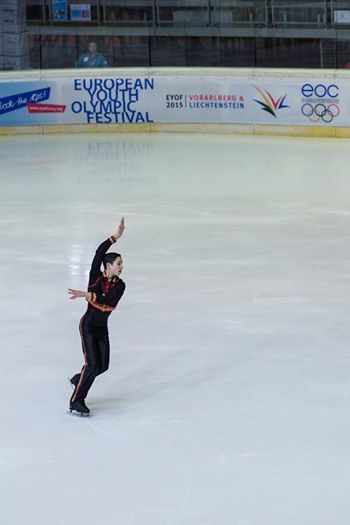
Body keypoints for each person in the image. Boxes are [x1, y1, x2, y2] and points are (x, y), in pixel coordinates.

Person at [68, 217, 126, 416]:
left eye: (122, 264)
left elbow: (108, 301)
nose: (121, 267)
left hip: (102, 330)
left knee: (103, 366)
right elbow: (99, 253)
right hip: (89, 327)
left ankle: (80, 378)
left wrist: (87, 295)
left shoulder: (120, 285)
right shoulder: (95, 276)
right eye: (118, 263)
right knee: (92, 365)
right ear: (108, 265)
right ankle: (76, 400)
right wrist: (115, 237)